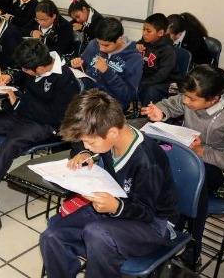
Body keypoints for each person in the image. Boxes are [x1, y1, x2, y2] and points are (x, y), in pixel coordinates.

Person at [40, 89, 178, 278]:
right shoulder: (110, 138)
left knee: (96, 234)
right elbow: (87, 141)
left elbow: (146, 212)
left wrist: (117, 207)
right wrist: (85, 153)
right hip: (118, 206)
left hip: (154, 223)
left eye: (90, 143)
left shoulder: (147, 160)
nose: (87, 146)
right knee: (51, 236)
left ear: (112, 132)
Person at [0, 40, 81, 218]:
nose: (23, 71)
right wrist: (10, 77)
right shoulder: (39, 60)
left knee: (9, 146)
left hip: (46, 125)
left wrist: (18, 103)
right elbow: (22, 75)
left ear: (40, 68)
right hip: (22, 113)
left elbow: (56, 116)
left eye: (26, 69)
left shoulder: (66, 80)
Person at [141, 64, 224, 268]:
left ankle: (189, 243)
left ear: (213, 99)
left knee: (194, 179)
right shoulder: (189, 98)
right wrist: (160, 111)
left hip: (218, 171)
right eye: (186, 97)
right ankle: (174, 234)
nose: (186, 102)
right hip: (188, 160)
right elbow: (170, 104)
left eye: (192, 99)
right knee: (170, 170)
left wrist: (202, 152)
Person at [70, 17, 142, 110]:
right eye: (98, 43)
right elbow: (83, 70)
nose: (101, 48)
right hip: (87, 94)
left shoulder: (134, 59)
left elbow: (128, 96)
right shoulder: (93, 44)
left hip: (110, 103)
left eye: (106, 45)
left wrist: (107, 72)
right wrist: (77, 65)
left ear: (119, 40)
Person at [136, 13, 179, 105]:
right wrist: (136, 46)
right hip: (149, 75)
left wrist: (143, 83)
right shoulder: (144, 41)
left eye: (148, 31)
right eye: (143, 29)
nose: (144, 33)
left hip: (166, 81)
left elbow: (162, 75)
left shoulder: (168, 50)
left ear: (160, 33)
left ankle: (146, 112)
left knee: (151, 90)